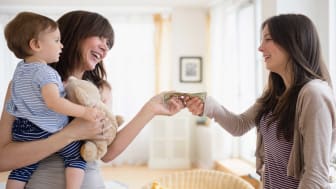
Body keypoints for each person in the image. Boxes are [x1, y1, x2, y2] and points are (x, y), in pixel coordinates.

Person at [0, 10, 183, 189]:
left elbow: (107, 152)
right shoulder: (23, 86)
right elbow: (2, 160)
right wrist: (71, 133)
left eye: (109, 44)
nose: (105, 48)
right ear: (72, 34)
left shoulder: (100, 90)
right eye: (100, 37)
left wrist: (150, 109)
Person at [185, 14, 336, 188]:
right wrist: (208, 105)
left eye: (268, 39)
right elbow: (239, 125)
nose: (260, 48)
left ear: (293, 43)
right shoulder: (276, 93)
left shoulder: (314, 94)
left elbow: (315, 175)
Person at [4, 11, 102, 189]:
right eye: (57, 41)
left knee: (23, 169)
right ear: (35, 44)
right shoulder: (46, 73)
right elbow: (54, 103)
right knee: (75, 157)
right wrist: (85, 112)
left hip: (22, 131)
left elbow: (14, 104)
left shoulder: (19, 71)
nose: (61, 46)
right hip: (46, 129)